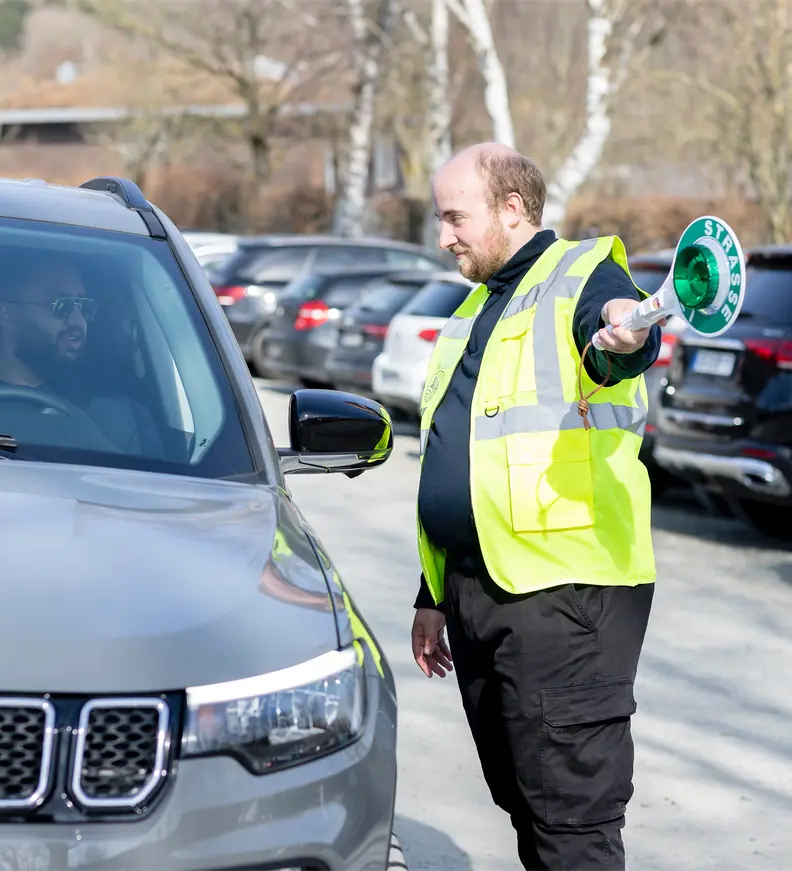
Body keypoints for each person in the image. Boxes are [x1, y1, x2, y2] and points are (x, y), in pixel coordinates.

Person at [410, 142, 660, 871]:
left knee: (571, 818)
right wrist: (433, 592)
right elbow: (457, 452)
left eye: (455, 218)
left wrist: (625, 331)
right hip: (478, 587)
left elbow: (615, 331)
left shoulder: (580, 275)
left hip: (564, 595)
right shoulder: (473, 310)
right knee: (526, 796)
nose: (444, 236)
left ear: (512, 209)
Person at [0, 251, 161, 455]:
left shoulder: (123, 417)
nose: (78, 321)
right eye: (61, 306)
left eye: (84, 306)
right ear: (8, 316)